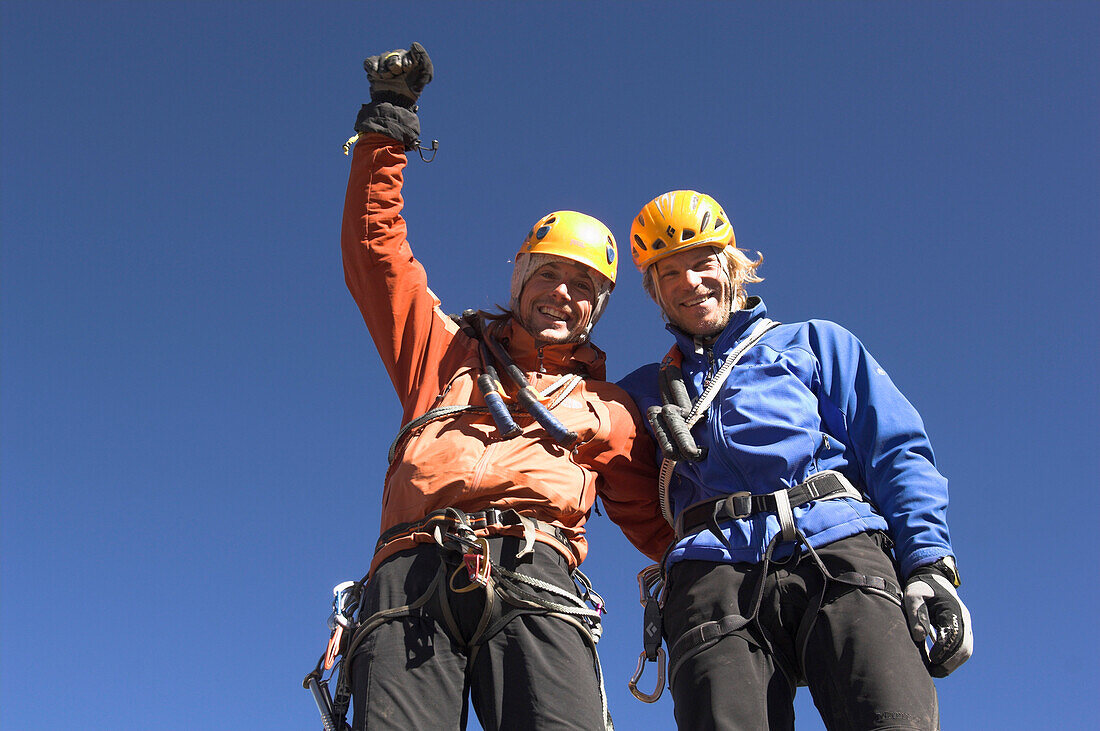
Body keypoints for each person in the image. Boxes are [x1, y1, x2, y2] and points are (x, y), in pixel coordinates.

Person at [326, 43, 674, 731]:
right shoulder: (442, 352)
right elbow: (376, 253)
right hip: (410, 573)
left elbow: (661, 527)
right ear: (519, 277)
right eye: (548, 273)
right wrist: (387, 126)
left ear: (596, 310)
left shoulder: (610, 411)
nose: (562, 294)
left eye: (584, 288)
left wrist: (732, 565)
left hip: (537, 576)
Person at [617, 190, 973, 730]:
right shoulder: (640, 392)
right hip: (712, 574)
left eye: (702, 262)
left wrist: (929, 566)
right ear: (655, 293)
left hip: (838, 544)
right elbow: (591, 459)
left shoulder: (815, 344)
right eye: (668, 274)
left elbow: (895, 450)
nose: (689, 282)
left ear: (733, 266)